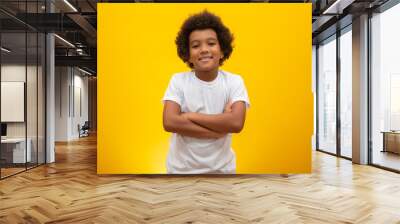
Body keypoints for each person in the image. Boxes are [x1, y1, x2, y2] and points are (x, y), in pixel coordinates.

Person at [162, 10, 250, 174]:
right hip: (180, 170)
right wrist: (219, 130)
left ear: (222, 50)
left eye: (211, 43)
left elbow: (236, 123)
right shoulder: (178, 80)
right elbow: (169, 122)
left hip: (222, 171)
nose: (204, 49)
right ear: (187, 55)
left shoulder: (234, 81)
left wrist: (189, 116)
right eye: (196, 46)